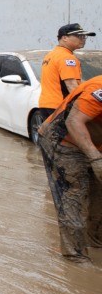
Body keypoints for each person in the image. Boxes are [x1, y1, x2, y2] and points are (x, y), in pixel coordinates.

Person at [37, 74, 102, 261]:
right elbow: (74, 121)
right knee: (74, 192)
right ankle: (75, 255)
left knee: (99, 193)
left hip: (95, 142)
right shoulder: (98, 89)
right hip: (63, 141)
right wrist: (95, 159)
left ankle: (96, 241)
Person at [38, 23, 96, 123]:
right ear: (64, 38)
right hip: (61, 106)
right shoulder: (67, 58)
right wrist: (84, 106)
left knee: (51, 137)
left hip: (46, 104)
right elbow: (71, 86)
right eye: (79, 36)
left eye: (84, 36)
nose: (83, 39)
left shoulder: (51, 55)